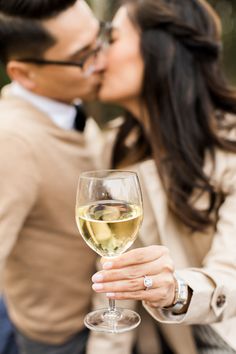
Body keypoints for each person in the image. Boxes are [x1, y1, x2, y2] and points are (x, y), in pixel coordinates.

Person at [91, 0, 236, 353]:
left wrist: (175, 290)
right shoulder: (114, 145)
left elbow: (231, 274)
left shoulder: (230, 144)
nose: (98, 58)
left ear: (161, 51)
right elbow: (114, 282)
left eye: (113, 38)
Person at [0, 1, 120, 353]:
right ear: (23, 74)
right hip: (60, 339)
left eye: (100, 40)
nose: (102, 60)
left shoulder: (66, 102)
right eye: (84, 56)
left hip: (102, 320)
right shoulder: (11, 142)